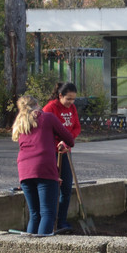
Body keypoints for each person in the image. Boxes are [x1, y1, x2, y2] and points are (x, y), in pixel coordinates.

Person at [12, 95, 75, 236]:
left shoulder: (20, 123)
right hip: (44, 167)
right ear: (37, 105)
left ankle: (28, 247)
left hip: (24, 170)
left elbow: (36, 142)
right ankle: (42, 246)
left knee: (34, 214)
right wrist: (60, 142)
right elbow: (69, 139)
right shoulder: (47, 118)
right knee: (47, 213)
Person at [43, 82, 81, 232]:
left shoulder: (72, 108)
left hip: (65, 151)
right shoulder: (50, 108)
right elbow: (44, 130)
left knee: (66, 186)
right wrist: (58, 142)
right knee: (53, 187)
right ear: (60, 96)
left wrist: (68, 139)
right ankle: (50, 221)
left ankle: (62, 220)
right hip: (52, 152)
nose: (71, 102)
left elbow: (76, 127)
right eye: (68, 99)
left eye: (73, 99)